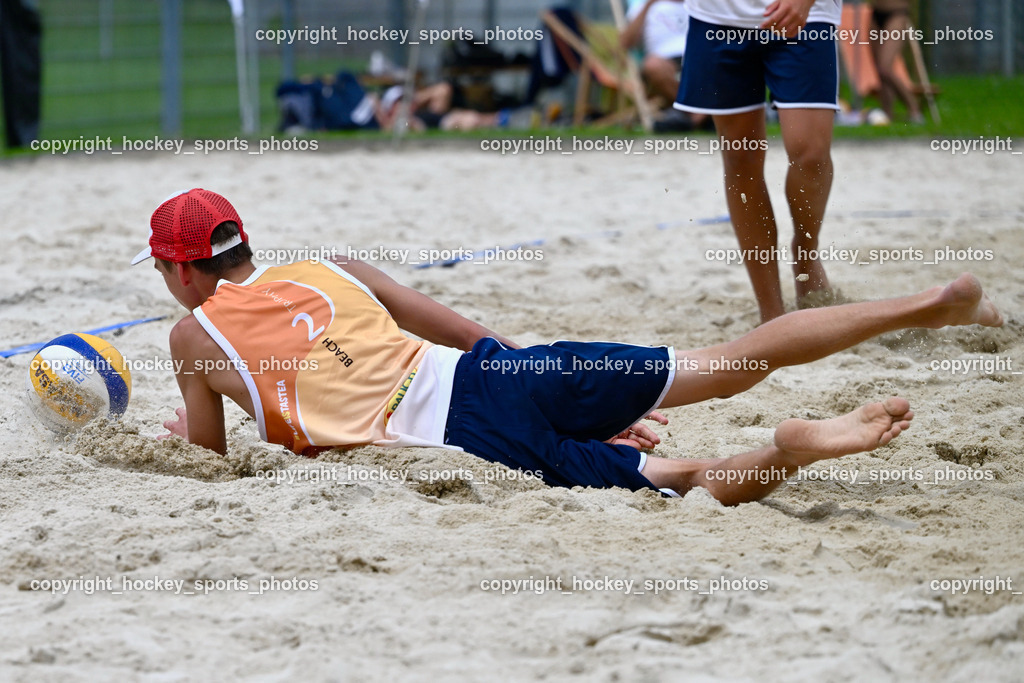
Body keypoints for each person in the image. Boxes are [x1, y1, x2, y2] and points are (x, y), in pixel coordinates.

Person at [134, 189, 1003, 506]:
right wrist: (570, 390)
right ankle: (925, 302)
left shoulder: (190, 335)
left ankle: (786, 447)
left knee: (683, 478)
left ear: (181, 270)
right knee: (734, 358)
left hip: (467, 438)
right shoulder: (333, 266)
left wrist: (180, 437)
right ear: (243, 245)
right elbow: (472, 333)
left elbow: (212, 455)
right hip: (508, 370)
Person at [674, 0, 842, 323]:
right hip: (717, 16)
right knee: (741, 158)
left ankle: (806, 253)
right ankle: (771, 312)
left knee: (810, 154)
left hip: (805, 12)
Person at [620, 0, 709, 131]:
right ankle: (699, 116)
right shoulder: (643, 5)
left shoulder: (699, 5)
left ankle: (689, 119)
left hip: (698, 59)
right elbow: (626, 42)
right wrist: (648, 5)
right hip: (665, 62)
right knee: (653, 65)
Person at [868, 0, 923, 124]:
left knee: (885, 67)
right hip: (875, 14)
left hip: (897, 14)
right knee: (879, 70)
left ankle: (914, 108)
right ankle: (887, 114)